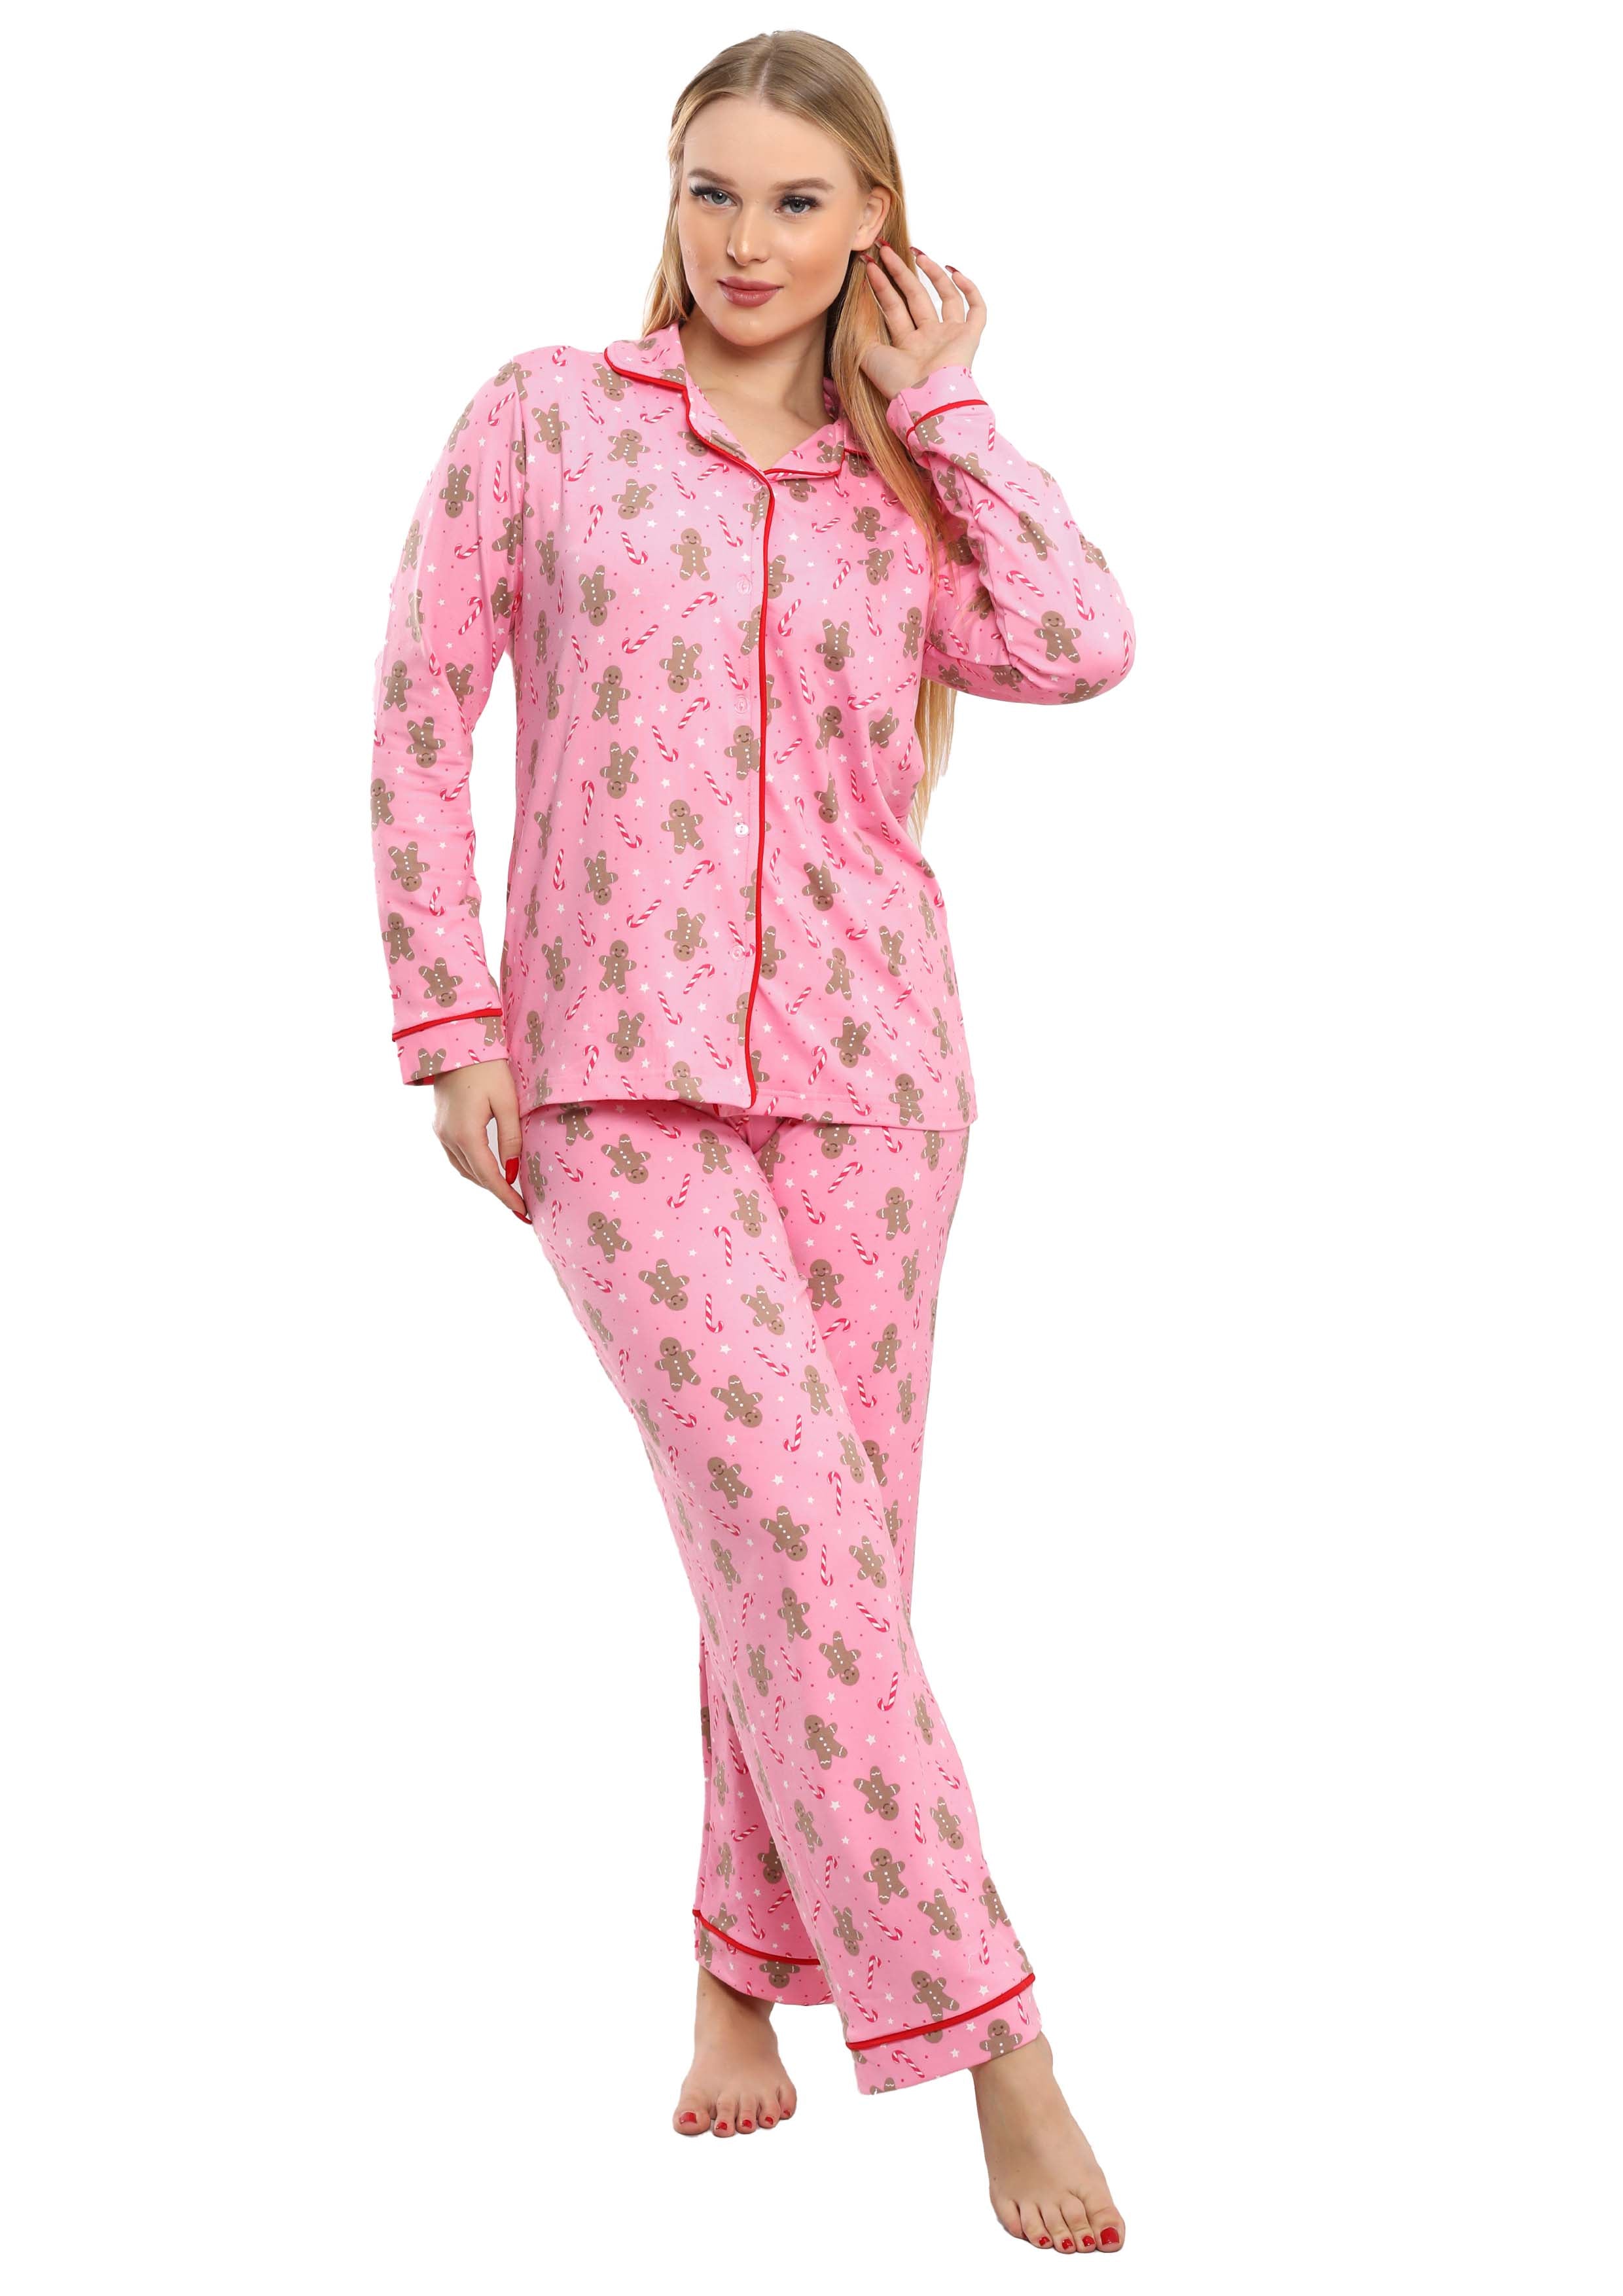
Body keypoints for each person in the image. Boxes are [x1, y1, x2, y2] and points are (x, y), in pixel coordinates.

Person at [368, 29, 1135, 2255]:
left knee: (819, 1563)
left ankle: (738, 1969)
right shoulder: (546, 419)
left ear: (877, 221)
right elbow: (419, 708)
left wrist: (953, 403)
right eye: (715, 190)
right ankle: (1001, 2041)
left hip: (879, 1074)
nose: (748, 241)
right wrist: (451, 1017)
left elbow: (1083, 643)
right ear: (670, 191)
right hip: (613, 1078)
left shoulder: (906, 481)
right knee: (798, 1539)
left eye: (801, 201)